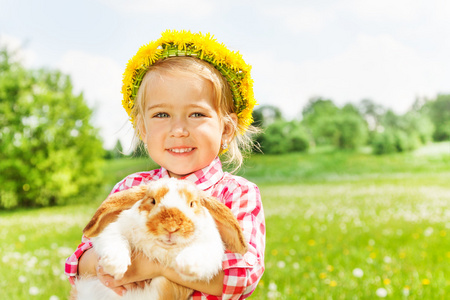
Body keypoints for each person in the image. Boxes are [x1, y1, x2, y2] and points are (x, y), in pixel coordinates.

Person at [65, 29, 265, 299]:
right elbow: (80, 262)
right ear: (143, 129)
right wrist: (105, 261)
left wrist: (144, 266)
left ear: (226, 129)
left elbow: (242, 274)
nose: (178, 129)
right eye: (161, 114)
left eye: (196, 113)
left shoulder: (236, 193)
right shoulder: (132, 186)